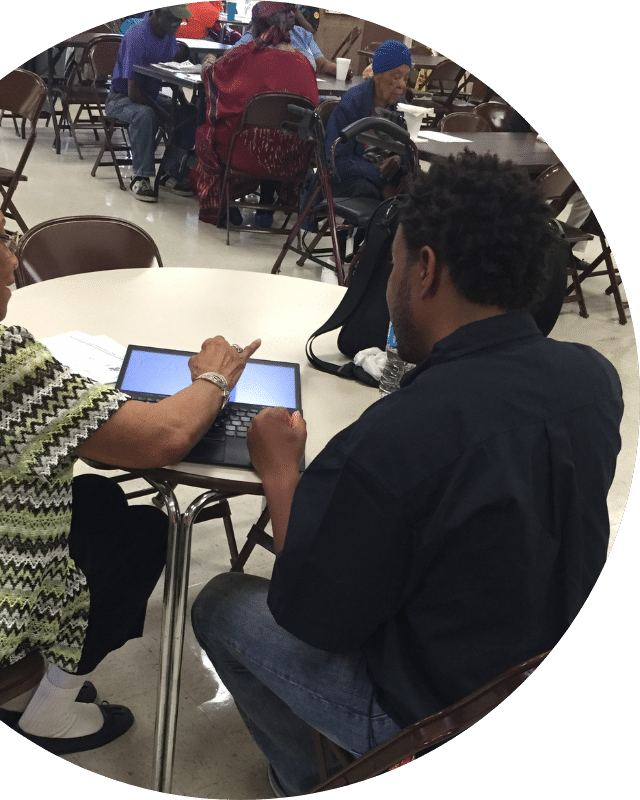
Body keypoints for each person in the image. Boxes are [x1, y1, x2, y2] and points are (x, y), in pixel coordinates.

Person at [191, 151, 623, 796]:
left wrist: (282, 471)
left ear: (424, 270)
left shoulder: (397, 438)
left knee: (221, 604)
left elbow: (308, 615)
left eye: (392, 263)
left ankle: (304, 782)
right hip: (535, 664)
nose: (389, 284)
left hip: (438, 717)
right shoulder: (594, 379)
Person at [0, 142, 261, 756]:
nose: (14, 258)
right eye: (2, 237)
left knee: (91, 495)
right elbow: (164, 436)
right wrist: (214, 376)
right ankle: (50, 713)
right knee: (144, 534)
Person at [194, 4, 319, 228]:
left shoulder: (246, 56)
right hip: (291, 156)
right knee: (270, 128)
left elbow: (215, 77)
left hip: (246, 152)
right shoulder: (304, 64)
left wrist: (209, 60)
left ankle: (225, 205)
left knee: (209, 132)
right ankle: (267, 203)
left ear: (256, 25)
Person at [102, 7, 198, 203]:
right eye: (172, 18)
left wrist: (181, 103)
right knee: (146, 115)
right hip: (121, 98)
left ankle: (169, 172)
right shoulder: (137, 36)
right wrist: (164, 114)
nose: (176, 24)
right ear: (158, 11)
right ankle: (140, 177)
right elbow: (134, 93)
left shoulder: (168, 35)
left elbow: (168, 71)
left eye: (180, 20)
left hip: (150, 96)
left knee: (191, 114)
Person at [325, 39, 412, 202]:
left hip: (383, 177)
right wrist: (380, 182)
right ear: (377, 75)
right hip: (349, 177)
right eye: (396, 77)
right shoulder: (353, 103)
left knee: (418, 192)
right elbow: (337, 158)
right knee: (370, 194)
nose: (402, 85)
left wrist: (399, 159)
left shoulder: (402, 108)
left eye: (406, 78)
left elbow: (411, 148)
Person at [235, 3, 346, 77]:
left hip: (306, 95)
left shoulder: (303, 35)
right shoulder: (259, 34)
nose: (293, 15)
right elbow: (230, 55)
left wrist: (340, 70)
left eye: (294, 10)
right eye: (287, 11)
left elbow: (321, 64)